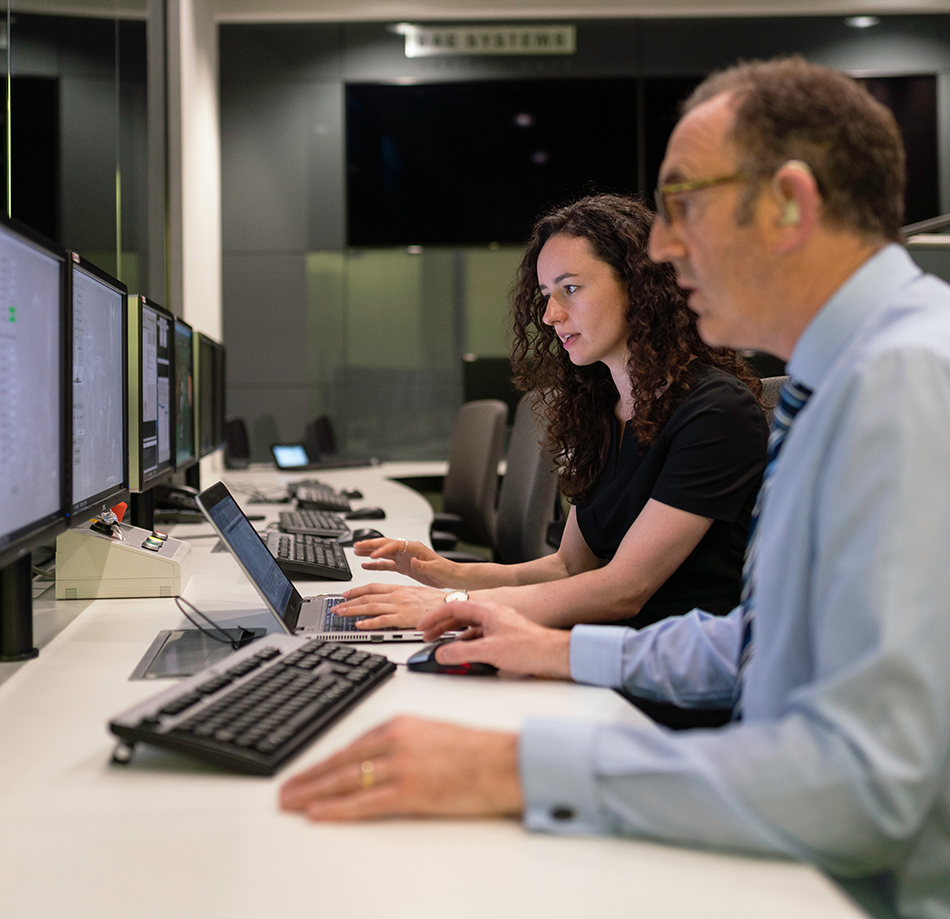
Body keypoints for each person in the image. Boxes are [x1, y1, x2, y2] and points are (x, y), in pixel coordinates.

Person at [280, 57, 950, 919]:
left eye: (683, 206)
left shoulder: (905, 385)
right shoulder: (841, 380)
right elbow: (759, 640)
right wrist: (551, 648)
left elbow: (866, 785)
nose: (665, 248)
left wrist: (509, 770)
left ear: (789, 204)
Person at [334, 194, 768, 642]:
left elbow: (624, 589)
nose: (550, 315)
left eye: (571, 289)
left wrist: (451, 606)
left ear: (639, 285)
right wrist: (450, 574)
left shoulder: (716, 411)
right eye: (545, 295)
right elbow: (568, 566)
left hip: (668, 670)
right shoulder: (602, 408)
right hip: (595, 646)